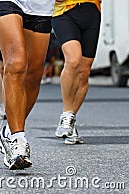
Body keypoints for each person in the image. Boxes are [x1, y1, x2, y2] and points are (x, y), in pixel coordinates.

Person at [0, 0, 55, 169]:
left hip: (40, 4)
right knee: (16, 64)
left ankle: (8, 132)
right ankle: (18, 140)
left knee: (34, 74)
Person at [52, 0, 102, 144]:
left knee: (84, 72)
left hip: (91, 11)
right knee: (73, 60)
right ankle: (66, 114)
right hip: (63, 12)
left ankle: (70, 121)